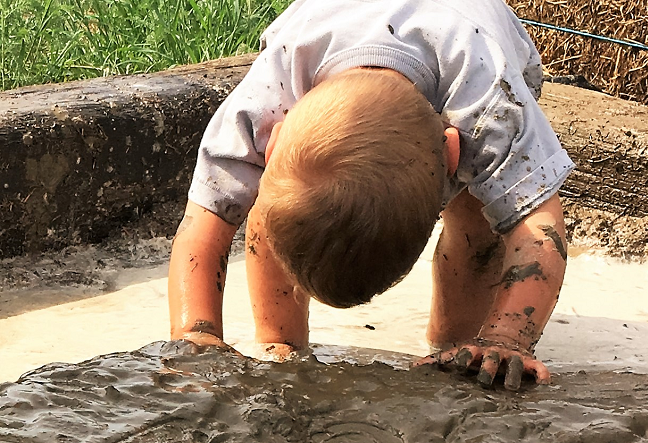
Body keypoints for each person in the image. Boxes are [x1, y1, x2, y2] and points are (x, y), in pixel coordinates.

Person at [168, 0, 574, 390]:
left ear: (452, 154)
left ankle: (452, 342)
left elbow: (538, 229)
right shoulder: (266, 97)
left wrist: (505, 339)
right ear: (269, 144)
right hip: (331, 22)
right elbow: (201, 231)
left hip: (474, 33)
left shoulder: (488, 107)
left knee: (478, 219)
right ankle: (282, 346)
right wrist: (195, 335)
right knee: (286, 199)